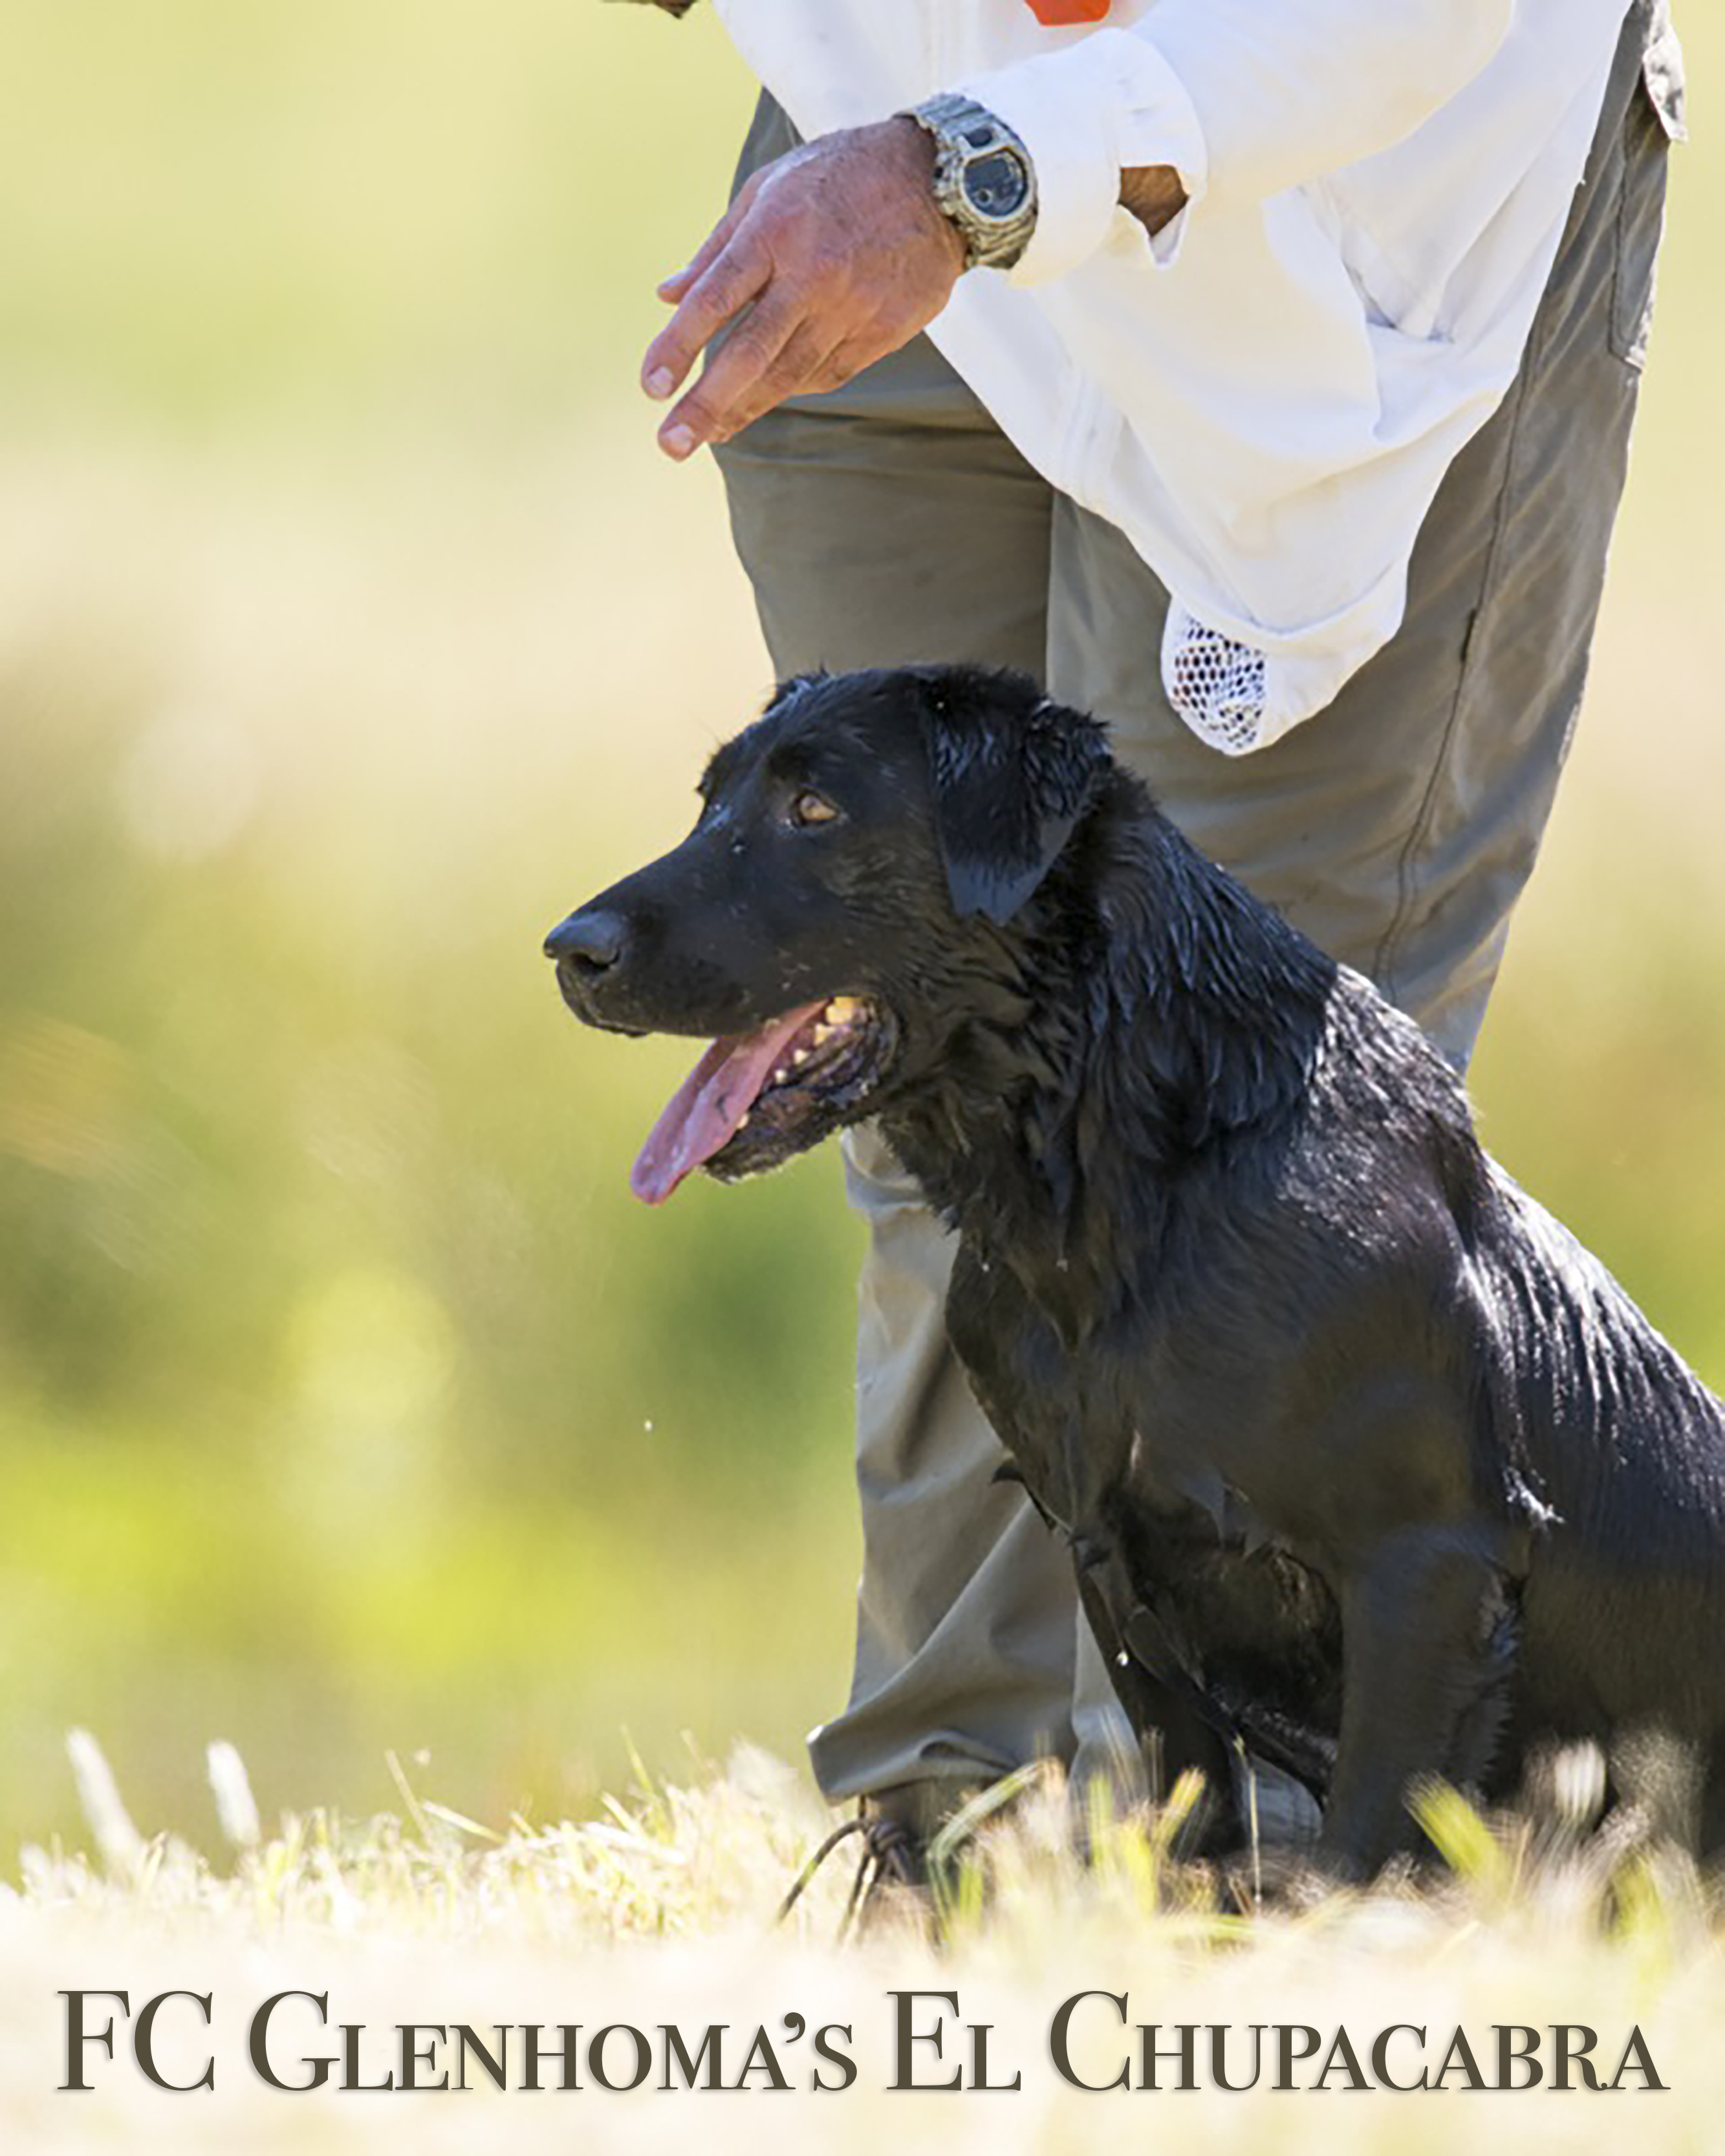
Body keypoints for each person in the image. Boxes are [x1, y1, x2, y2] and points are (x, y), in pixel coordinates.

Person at [625, 0, 1684, 1858]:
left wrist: (966, 176)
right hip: (874, 146)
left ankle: (1277, 1898)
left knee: (1252, 1146)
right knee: (925, 1061)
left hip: (1342, 221)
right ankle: (974, 1853)